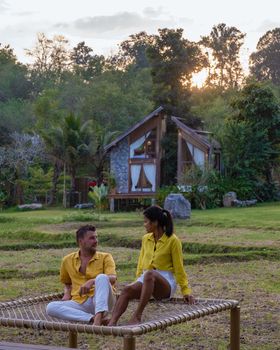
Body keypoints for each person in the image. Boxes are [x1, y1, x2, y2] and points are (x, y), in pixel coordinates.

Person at [108, 205, 194, 326]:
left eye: (146, 221)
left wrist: (186, 291)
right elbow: (141, 262)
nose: (144, 224)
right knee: (127, 289)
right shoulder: (145, 239)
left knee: (150, 274)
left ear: (155, 222)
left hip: (165, 283)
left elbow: (179, 267)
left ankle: (137, 315)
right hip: (146, 278)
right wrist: (136, 281)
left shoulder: (173, 240)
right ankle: (111, 323)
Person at [46, 224, 117, 325]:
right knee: (51, 307)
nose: (96, 241)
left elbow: (113, 278)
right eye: (92, 238)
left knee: (101, 277)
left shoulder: (106, 257)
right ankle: (93, 319)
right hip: (80, 302)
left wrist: (92, 281)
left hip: (103, 301)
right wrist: (67, 293)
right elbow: (67, 283)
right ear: (80, 241)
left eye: (96, 237)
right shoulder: (67, 260)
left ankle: (98, 319)